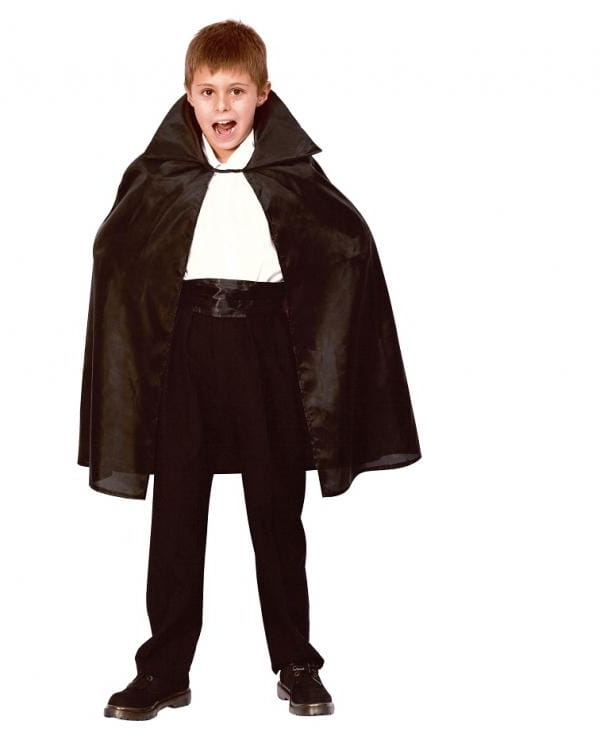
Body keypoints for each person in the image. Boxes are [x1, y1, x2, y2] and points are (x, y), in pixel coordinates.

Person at [80, 19, 422, 720]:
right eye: (209, 91)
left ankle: (296, 661)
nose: (222, 105)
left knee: (275, 508)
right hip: (182, 346)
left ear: (264, 94)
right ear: (188, 95)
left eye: (236, 90)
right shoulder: (160, 174)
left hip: (268, 348)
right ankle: (163, 668)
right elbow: (118, 249)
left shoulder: (291, 173)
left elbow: (344, 240)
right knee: (177, 512)